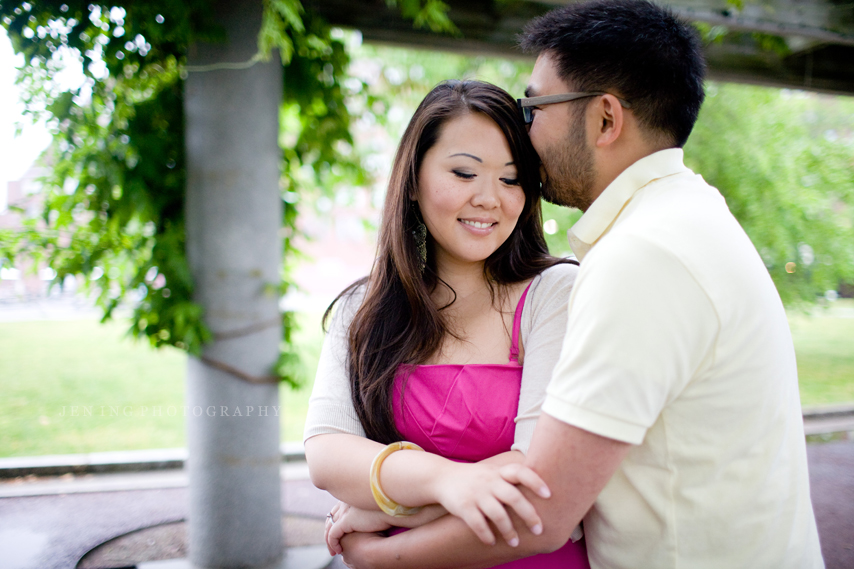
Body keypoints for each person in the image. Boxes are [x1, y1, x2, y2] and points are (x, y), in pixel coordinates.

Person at [334, 1, 824, 568]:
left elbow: (541, 510)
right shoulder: (689, 215)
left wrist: (377, 550)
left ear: (606, 119)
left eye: (535, 106)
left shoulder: (642, 257)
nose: (524, 128)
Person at [303, 80, 588, 568]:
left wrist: (392, 512)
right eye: (464, 173)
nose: (489, 199)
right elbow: (328, 452)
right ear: (412, 180)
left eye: (511, 179)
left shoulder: (555, 294)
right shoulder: (363, 308)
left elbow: (539, 477)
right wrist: (447, 482)